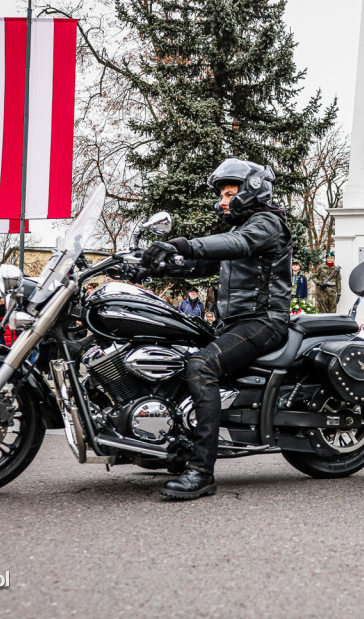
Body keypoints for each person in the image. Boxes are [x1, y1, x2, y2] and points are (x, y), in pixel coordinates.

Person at [141, 158, 292, 501]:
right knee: (174, 355)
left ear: (251, 189)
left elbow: (236, 245)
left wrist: (181, 243)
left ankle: (201, 472)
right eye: (221, 195)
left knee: (201, 365)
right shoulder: (240, 229)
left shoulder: (267, 223)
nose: (221, 201)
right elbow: (200, 262)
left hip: (263, 321)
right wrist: (156, 265)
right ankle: (170, 445)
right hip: (233, 323)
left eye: (228, 193)